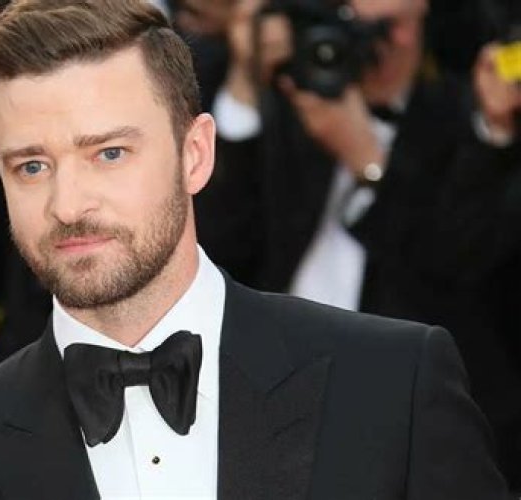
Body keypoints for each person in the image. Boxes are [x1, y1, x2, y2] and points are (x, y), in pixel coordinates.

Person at [0, 1, 512, 498]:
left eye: (109, 153)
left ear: (196, 154)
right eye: (31, 166)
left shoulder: (391, 385)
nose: (67, 204)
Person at [199, 0, 521, 488]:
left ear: (419, 21)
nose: (370, 44)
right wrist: (246, 83)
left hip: (402, 403)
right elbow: (220, 240)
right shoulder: (297, 98)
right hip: (270, 380)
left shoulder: (470, 122)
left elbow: (456, 269)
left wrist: (366, 160)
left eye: (385, 27)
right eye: (346, 21)